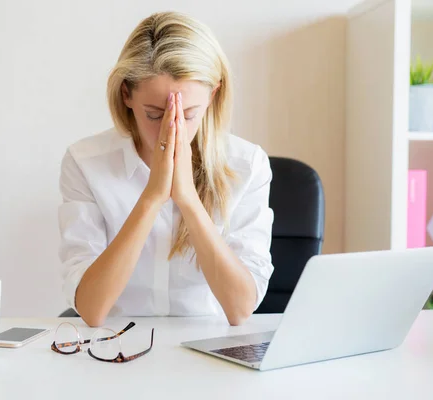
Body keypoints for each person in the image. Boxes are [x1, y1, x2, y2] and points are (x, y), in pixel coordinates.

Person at [58, 11, 274, 327]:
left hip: (210, 349)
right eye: (155, 114)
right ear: (126, 95)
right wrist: (153, 197)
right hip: (118, 348)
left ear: (212, 96)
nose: (171, 131)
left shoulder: (247, 164)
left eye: (188, 114)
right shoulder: (85, 162)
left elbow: (240, 308)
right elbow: (91, 309)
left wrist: (187, 199)